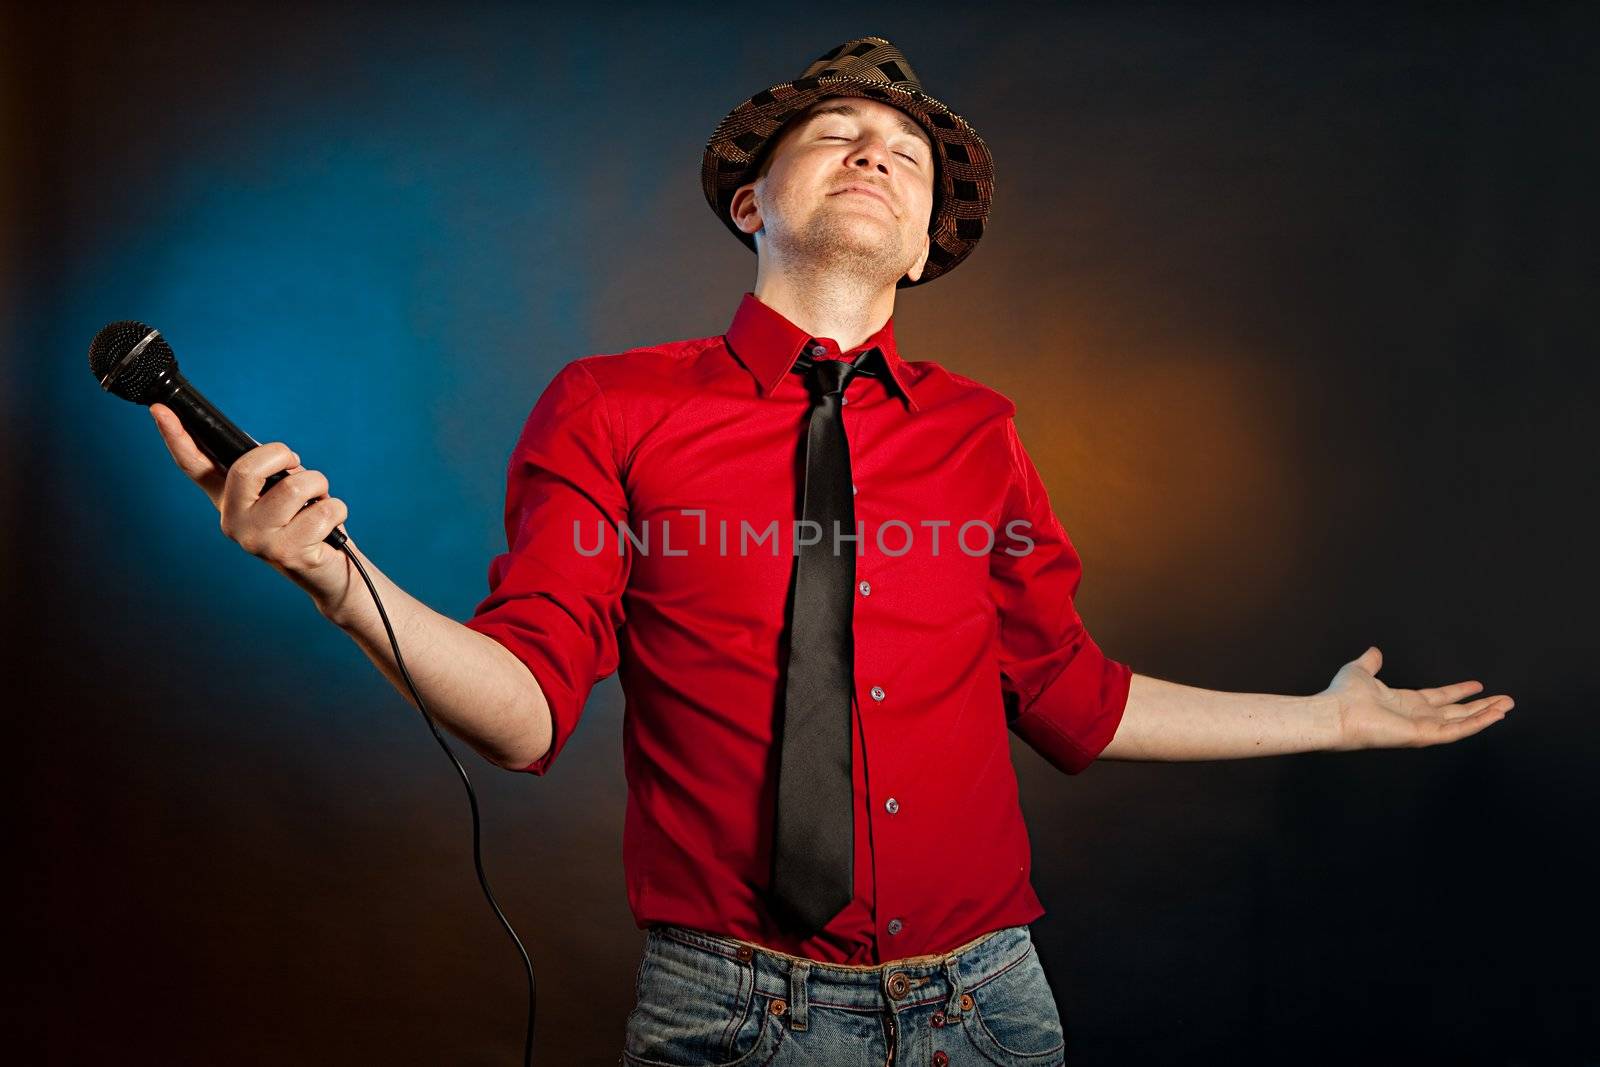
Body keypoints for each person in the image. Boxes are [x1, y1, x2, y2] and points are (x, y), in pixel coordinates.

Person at [149, 34, 1515, 1067]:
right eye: (835, 135)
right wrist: (334, 576)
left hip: (990, 1007)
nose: (873, 154)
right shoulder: (609, 406)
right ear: (751, 204)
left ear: (922, 249)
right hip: (726, 1014)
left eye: (904, 157)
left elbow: (1073, 699)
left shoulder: (984, 437)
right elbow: (524, 715)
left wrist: (1332, 721)